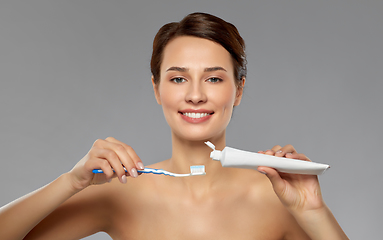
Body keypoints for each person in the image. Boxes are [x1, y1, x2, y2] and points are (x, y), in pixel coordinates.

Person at [0, 12, 348, 240]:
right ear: (156, 89)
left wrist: (312, 211)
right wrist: (69, 182)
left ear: (239, 90)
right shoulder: (121, 194)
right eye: (178, 78)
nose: (195, 95)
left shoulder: (276, 198)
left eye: (213, 78)